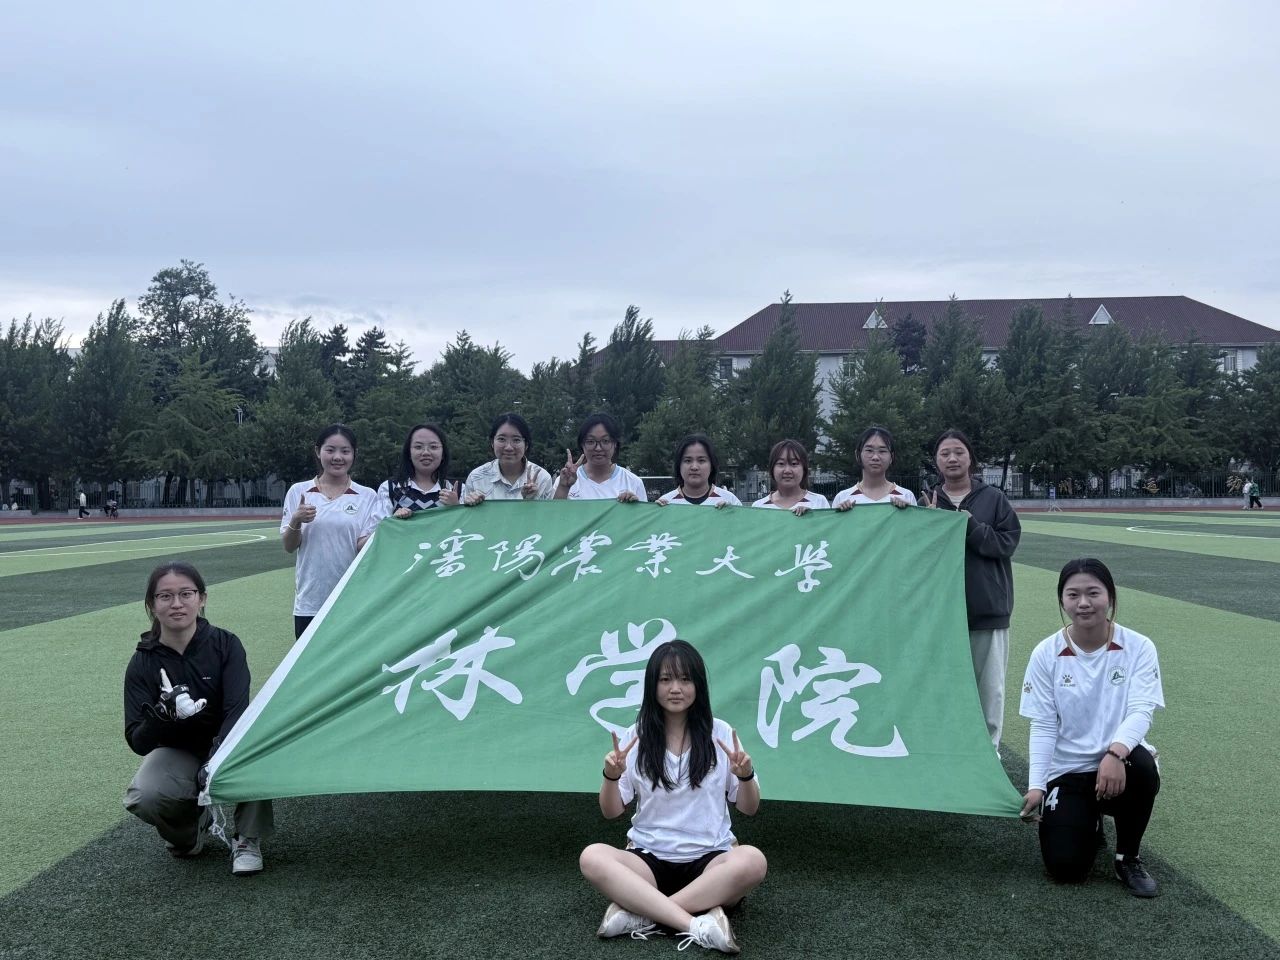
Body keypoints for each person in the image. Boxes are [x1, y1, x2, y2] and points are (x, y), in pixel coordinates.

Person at [579, 640, 767, 953]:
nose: (675, 688)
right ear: (652, 686)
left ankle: (644, 915)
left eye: (685, 679)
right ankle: (696, 924)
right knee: (592, 857)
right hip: (648, 861)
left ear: (698, 685)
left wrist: (745, 774)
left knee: (753, 861)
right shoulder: (636, 736)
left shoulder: (720, 733)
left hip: (710, 862)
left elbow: (749, 807)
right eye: (665, 679)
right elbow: (611, 811)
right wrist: (611, 775)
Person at [1018, 558, 1165, 897]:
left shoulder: (1139, 647)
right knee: (1065, 868)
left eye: (1093, 593)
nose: (1083, 603)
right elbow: (1043, 724)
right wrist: (1037, 785)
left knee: (1142, 765)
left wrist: (1115, 753)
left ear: (1110, 597)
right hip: (1068, 770)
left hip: (1120, 764)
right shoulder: (1045, 653)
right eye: (1073, 595)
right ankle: (1090, 821)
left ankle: (1127, 857)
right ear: (1062, 601)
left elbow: (1141, 711)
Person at [123, 561, 274, 875]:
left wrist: (217, 757)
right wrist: (160, 716)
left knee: (258, 746)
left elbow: (237, 710)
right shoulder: (142, 661)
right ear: (152, 605)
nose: (176, 603)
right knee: (144, 795)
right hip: (179, 750)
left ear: (201, 598)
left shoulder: (225, 644)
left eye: (186, 594)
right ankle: (191, 829)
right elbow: (137, 741)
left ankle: (247, 839)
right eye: (165, 596)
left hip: (229, 742)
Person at [921, 429, 1021, 750]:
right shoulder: (927, 501)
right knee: (944, 686)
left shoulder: (994, 498)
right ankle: (949, 753)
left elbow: (1006, 543)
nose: (952, 458)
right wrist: (931, 525)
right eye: (944, 453)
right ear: (936, 461)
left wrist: (970, 525)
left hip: (987, 609)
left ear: (970, 458)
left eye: (958, 452)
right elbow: (918, 556)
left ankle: (989, 755)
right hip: (941, 613)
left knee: (989, 690)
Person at [281, 424, 380, 639]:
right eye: (330, 450)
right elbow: (289, 546)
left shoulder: (368, 496)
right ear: (318, 451)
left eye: (345, 451)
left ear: (354, 454)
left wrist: (388, 528)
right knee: (309, 660)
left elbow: (363, 547)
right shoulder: (299, 491)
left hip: (352, 600)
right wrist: (296, 519)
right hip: (310, 602)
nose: (337, 457)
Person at [372, 423, 462, 521]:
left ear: (443, 453)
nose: (426, 452)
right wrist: (395, 520)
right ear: (409, 453)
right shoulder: (390, 489)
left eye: (433, 447)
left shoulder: (457, 489)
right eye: (418, 447)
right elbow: (378, 527)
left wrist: (456, 507)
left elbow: (467, 527)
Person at [462, 412, 555, 504]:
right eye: (501, 439)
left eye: (516, 440)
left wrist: (531, 503)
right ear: (492, 442)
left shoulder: (542, 478)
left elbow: (549, 513)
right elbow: (465, 512)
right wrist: (470, 506)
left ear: (526, 445)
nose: (508, 447)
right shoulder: (476, 477)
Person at [554, 413, 648, 502]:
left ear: (615, 443)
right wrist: (564, 487)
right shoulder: (565, 480)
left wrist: (634, 508)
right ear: (582, 444)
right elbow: (554, 513)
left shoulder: (633, 482)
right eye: (591, 441)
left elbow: (643, 514)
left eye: (605, 441)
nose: (598, 448)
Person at [832, 426, 916, 511]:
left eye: (882, 451)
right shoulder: (842, 498)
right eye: (869, 450)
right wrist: (840, 515)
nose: (875, 457)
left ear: (892, 457)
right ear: (858, 455)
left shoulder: (906, 496)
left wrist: (908, 512)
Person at [656, 434, 741, 508]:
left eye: (701, 460)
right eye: (688, 461)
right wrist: (656, 512)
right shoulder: (665, 503)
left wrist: (733, 515)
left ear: (712, 465)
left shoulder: (730, 501)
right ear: (679, 465)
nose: (694, 467)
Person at [751, 439, 830, 515]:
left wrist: (812, 517)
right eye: (781, 464)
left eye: (794, 463)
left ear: (804, 469)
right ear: (772, 469)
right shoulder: (758, 507)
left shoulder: (819, 502)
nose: (787, 470)